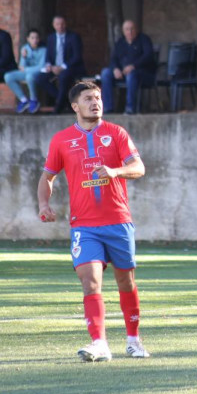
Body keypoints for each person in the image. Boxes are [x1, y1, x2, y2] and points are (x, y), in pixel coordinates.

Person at [37, 80, 151, 360]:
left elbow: (139, 167)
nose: (95, 102)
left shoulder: (117, 133)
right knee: (90, 282)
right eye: (88, 98)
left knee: (126, 282)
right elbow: (48, 176)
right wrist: (43, 203)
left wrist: (115, 171)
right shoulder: (61, 140)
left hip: (118, 221)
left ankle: (134, 340)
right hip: (84, 225)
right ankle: (99, 343)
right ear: (75, 106)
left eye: (98, 97)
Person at [100, 20, 157, 114]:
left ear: (136, 29)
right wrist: (115, 69)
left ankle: (130, 108)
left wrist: (134, 66)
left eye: (132, 29)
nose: (129, 32)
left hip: (142, 73)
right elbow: (113, 58)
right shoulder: (120, 42)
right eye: (127, 29)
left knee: (131, 75)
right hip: (122, 73)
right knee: (105, 73)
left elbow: (148, 56)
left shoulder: (144, 39)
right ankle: (108, 108)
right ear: (123, 31)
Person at [40, 15, 86, 114]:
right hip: (54, 67)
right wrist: (49, 65)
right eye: (57, 24)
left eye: (62, 24)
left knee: (63, 76)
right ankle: (65, 101)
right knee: (40, 78)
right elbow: (48, 56)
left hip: (71, 67)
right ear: (53, 25)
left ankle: (58, 106)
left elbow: (77, 56)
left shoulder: (73, 37)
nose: (60, 26)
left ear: (65, 24)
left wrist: (62, 67)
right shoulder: (51, 38)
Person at [4, 28, 47, 114]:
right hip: (26, 72)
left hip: (38, 73)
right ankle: (24, 100)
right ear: (28, 39)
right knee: (8, 76)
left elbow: (41, 66)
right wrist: (24, 57)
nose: (34, 40)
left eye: (36, 38)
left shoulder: (44, 50)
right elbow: (21, 67)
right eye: (32, 38)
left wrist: (27, 69)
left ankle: (33, 99)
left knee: (29, 76)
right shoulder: (25, 48)